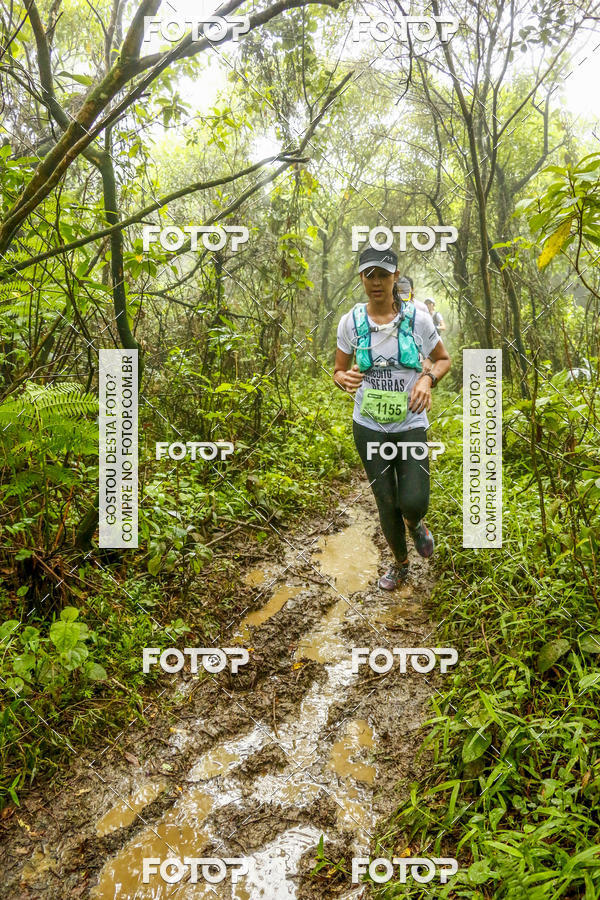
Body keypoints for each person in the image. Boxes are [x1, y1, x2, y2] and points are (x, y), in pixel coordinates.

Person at [334, 246, 451, 590]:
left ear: (395, 278)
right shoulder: (351, 322)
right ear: (361, 279)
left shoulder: (418, 319)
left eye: (383, 275)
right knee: (385, 499)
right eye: (369, 275)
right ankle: (400, 565)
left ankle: (415, 524)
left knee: (413, 501)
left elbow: (442, 359)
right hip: (369, 426)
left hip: (410, 423)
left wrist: (427, 379)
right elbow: (339, 370)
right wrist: (342, 378)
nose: (377, 282)